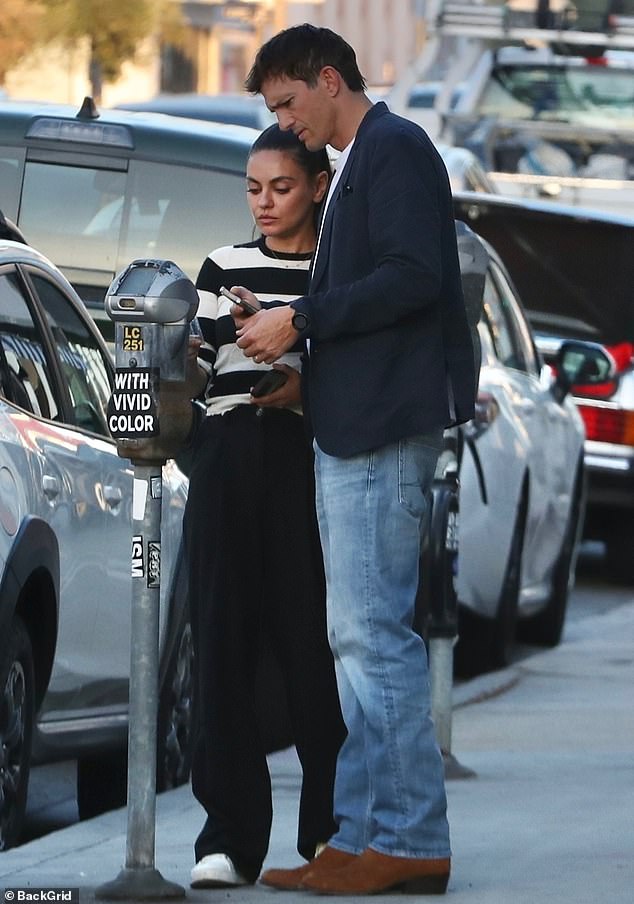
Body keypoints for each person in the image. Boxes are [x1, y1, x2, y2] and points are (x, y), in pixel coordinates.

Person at [230, 24, 478, 896]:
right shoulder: (367, 158)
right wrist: (295, 344)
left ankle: (407, 837)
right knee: (357, 641)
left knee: (374, 640)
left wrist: (300, 321)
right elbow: (381, 290)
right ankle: (362, 835)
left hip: (381, 429)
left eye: (288, 104)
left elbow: (415, 276)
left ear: (329, 80)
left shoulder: (395, 150)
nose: (285, 123)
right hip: (353, 421)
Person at [183, 124, 346, 889]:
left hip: (305, 461)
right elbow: (203, 360)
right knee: (220, 644)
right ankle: (229, 838)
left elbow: (350, 367)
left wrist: (300, 376)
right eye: (254, 189)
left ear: (317, 185)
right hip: (225, 455)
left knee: (312, 644)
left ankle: (326, 831)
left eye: (281, 187)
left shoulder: (337, 271)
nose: (266, 204)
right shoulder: (223, 264)